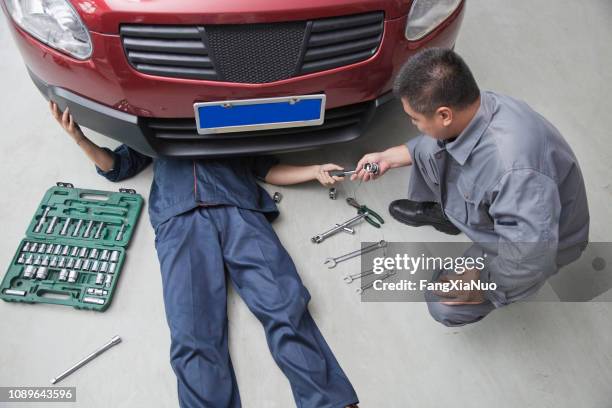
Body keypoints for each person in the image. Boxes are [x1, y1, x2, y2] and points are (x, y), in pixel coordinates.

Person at [50, 101, 358, 408]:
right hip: (181, 221)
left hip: (241, 214)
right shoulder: (157, 128)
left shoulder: (233, 126)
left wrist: (314, 170)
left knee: (285, 306)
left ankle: (329, 401)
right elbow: (116, 166)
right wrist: (80, 138)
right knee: (192, 331)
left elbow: (268, 169)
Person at [351, 48, 589, 327]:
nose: (412, 124)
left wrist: (481, 280)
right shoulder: (474, 106)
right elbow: (434, 142)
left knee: (442, 301)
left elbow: (532, 256)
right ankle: (451, 215)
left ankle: (465, 234)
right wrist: (389, 157)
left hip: (538, 242)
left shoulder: (514, 170)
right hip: (506, 207)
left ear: (444, 115)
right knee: (429, 147)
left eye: (414, 118)